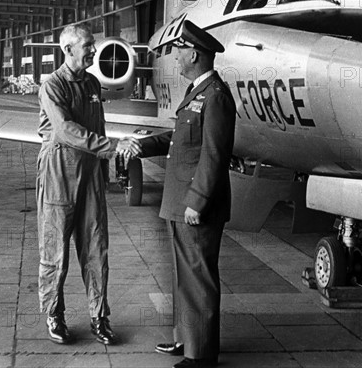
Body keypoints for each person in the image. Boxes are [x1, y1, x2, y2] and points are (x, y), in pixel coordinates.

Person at [136, 20, 236, 368]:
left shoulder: (216, 97)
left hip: (195, 205)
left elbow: (213, 154)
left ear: (193, 54)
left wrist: (197, 201)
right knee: (184, 277)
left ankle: (201, 356)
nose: (175, 58)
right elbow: (178, 139)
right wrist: (142, 145)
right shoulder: (197, 92)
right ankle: (187, 339)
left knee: (198, 278)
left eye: (179, 51)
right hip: (180, 202)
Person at [36, 22, 140, 345]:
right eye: (88, 46)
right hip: (59, 174)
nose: (94, 50)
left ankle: (99, 316)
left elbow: (98, 127)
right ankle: (55, 314)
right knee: (56, 251)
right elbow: (65, 131)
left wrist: (111, 165)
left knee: (96, 247)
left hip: (91, 174)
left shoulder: (93, 83)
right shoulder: (52, 86)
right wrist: (113, 148)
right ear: (68, 50)